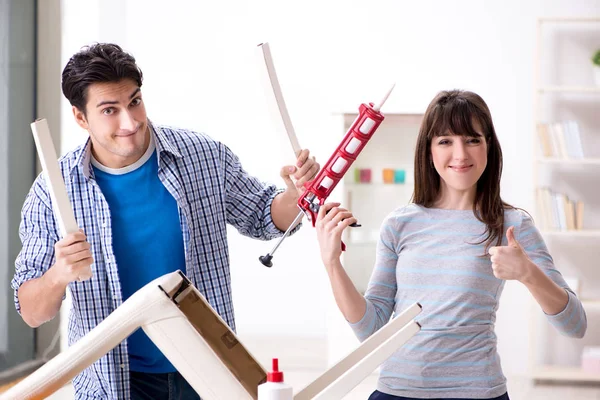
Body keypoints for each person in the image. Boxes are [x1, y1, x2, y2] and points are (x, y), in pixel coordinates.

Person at [11, 43, 319, 400]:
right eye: (110, 110)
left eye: (135, 101)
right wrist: (58, 275)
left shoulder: (203, 156)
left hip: (207, 371)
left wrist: (296, 194)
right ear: (81, 118)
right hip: (114, 382)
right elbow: (33, 311)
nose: (130, 122)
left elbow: (264, 215)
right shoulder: (53, 190)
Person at [315, 90, 587, 400]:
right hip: (397, 392)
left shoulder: (512, 225)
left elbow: (575, 324)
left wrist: (528, 273)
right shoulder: (399, 224)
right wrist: (332, 264)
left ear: (489, 148)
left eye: (472, 139)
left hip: (476, 393)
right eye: (445, 141)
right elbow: (370, 329)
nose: (460, 154)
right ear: (428, 151)